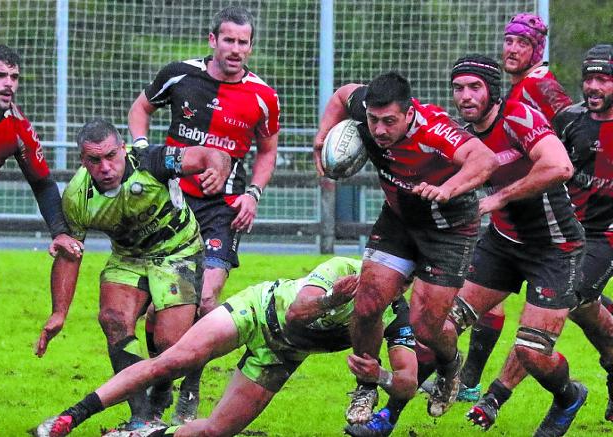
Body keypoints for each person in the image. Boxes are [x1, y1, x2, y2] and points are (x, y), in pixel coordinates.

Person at [36, 257, 420, 437]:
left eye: (395, 284)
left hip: (281, 355)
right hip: (256, 309)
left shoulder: (396, 316)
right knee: (172, 361)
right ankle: (71, 417)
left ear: (403, 287)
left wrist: (380, 375)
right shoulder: (343, 271)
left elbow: (408, 382)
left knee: (217, 432)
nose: (384, 286)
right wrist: (331, 302)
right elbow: (296, 315)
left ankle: (137, 436)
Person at [313, 71, 497, 423]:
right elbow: (340, 96)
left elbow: (484, 160)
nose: (379, 130)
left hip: (449, 228)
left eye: (389, 121)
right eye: (373, 120)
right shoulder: (362, 105)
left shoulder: (435, 129)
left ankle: (449, 366)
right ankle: (365, 385)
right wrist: (322, 139)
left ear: (409, 113)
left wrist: (449, 187)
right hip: (399, 221)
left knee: (426, 328)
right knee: (366, 305)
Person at [127, 6, 280, 423]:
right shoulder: (179, 75)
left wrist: (253, 194)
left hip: (223, 210)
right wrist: (143, 151)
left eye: (243, 42)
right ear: (213, 40)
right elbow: (140, 110)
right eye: (228, 40)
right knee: (160, 308)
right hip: (173, 203)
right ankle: (162, 383)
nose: (235, 49)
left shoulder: (263, 96)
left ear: (251, 46)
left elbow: (268, 152)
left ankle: (190, 384)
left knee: (206, 298)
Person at [34, 119, 231, 434]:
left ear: (123, 149)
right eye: (94, 160)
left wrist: (218, 169)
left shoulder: (152, 160)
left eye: (111, 156)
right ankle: (142, 417)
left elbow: (210, 155)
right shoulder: (76, 196)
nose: (106, 167)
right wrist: (59, 313)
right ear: (82, 161)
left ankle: (165, 387)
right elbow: (70, 252)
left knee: (170, 343)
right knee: (112, 318)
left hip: (178, 251)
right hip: (128, 258)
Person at [437, 55, 586, 437]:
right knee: (442, 323)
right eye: (458, 88)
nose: (465, 96)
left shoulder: (519, 116)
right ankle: (421, 393)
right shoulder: (462, 133)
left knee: (533, 352)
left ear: (492, 90)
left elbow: (560, 167)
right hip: (502, 243)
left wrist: (501, 197)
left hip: (554, 247)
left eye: (475, 87)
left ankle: (568, 396)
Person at [467, 44, 613, 431]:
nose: (593, 86)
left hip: (603, 237)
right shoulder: (570, 121)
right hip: (560, 233)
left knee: (570, 302)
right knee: (585, 308)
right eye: (589, 78)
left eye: (604, 79)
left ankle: (496, 394)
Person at [457, 12, 576, 403]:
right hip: (515, 221)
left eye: (522, 43)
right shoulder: (509, 88)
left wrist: (569, 183)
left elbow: (575, 129)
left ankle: (478, 383)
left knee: (584, 304)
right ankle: (469, 379)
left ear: (536, 49)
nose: (512, 48)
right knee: (488, 292)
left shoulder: (540, 84)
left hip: (553, 211)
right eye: (508, 41)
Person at [0, 44, 82, 287]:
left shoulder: (18, 129)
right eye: (0, 75)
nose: (9, 83)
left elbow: (42, 184)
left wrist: (60, 231)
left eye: (14, 77)